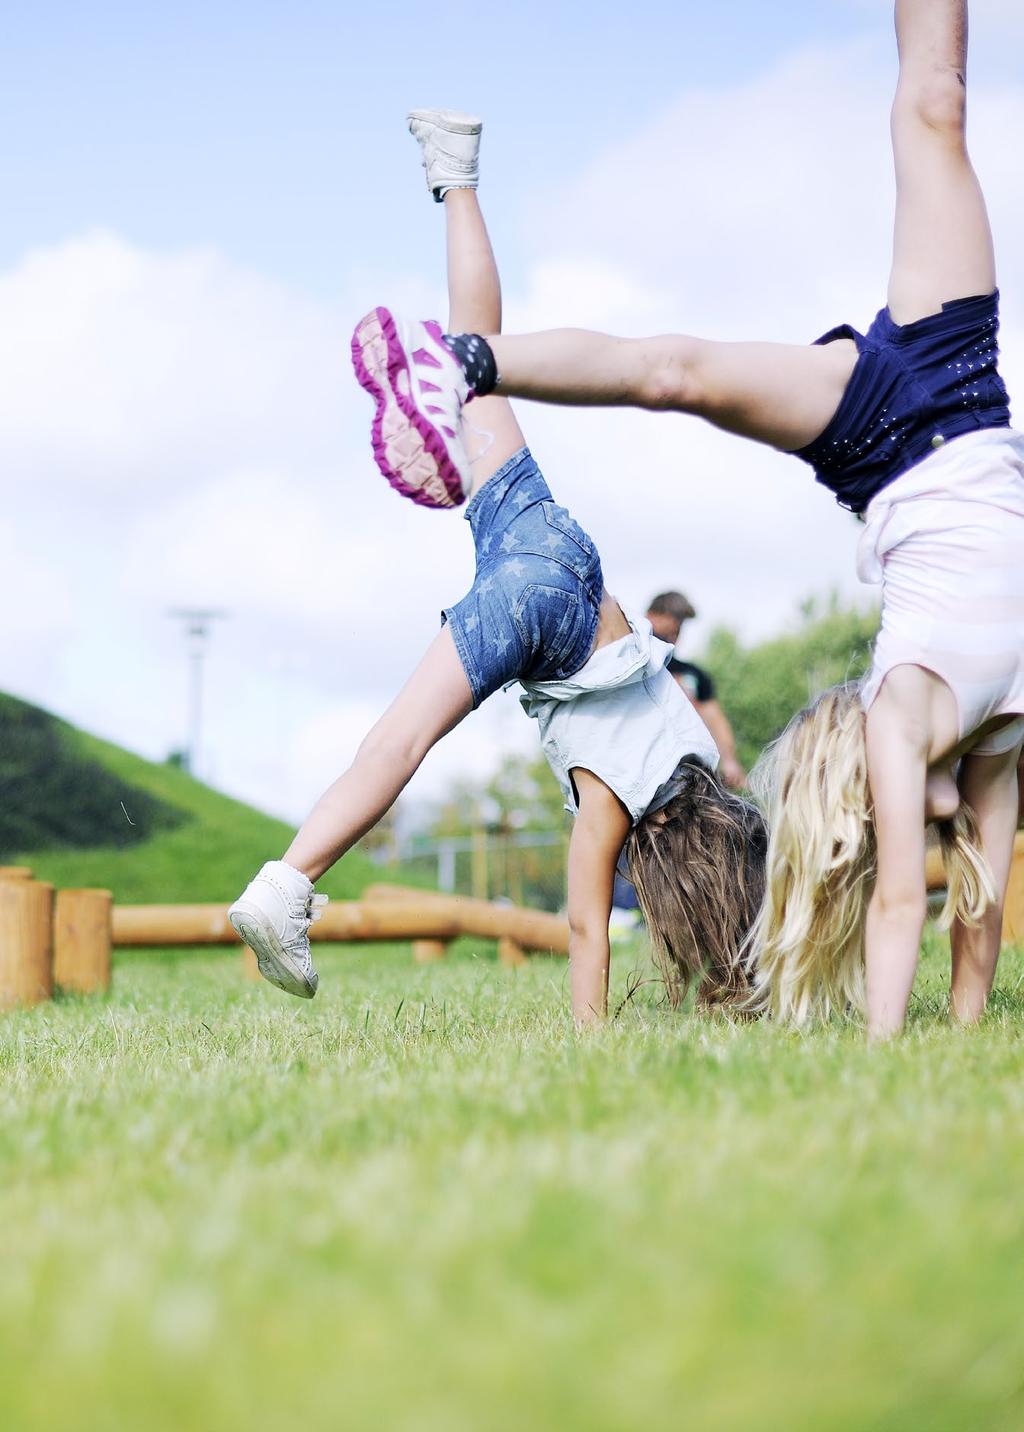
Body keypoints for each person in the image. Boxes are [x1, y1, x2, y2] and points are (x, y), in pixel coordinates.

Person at [365, 1, 1024, 1039]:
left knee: (675, 373)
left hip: (882, 445)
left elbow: (935, 907)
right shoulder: (990, 724)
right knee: (934, 107)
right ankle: (469, 359)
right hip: (965, 381)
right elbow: (950, 917)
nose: (935, 830)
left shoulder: (902, 717)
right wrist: (937, 1030)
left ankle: (468, 363)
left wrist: (897, 1050)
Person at [229, 110, 767, 1026]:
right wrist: (594, 1037)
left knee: (481, 358)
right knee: (397, 744)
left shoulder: (696, 757)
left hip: (566, 557)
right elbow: (587, 930)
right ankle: (286, 886)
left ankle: (455, 173)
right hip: (532, 617)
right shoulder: (613, 808)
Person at [646, 590, 746, 789]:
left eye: (681, 623)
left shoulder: (693, 675)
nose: (677, 629)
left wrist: (729, 760)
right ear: (651, 616)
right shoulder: (629, 668)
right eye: (674, 620)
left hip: (683, 773)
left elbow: (714, 718)